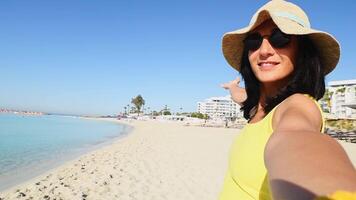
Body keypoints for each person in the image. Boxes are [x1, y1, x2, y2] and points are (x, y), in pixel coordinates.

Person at [219, 0, 356, 199]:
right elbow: (245, 99)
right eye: (253, 41)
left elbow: (297, 138)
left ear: (303, 50)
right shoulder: (258, 108)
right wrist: (233, 89)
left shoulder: (298, 105)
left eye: (280, 38)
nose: (264, 50)